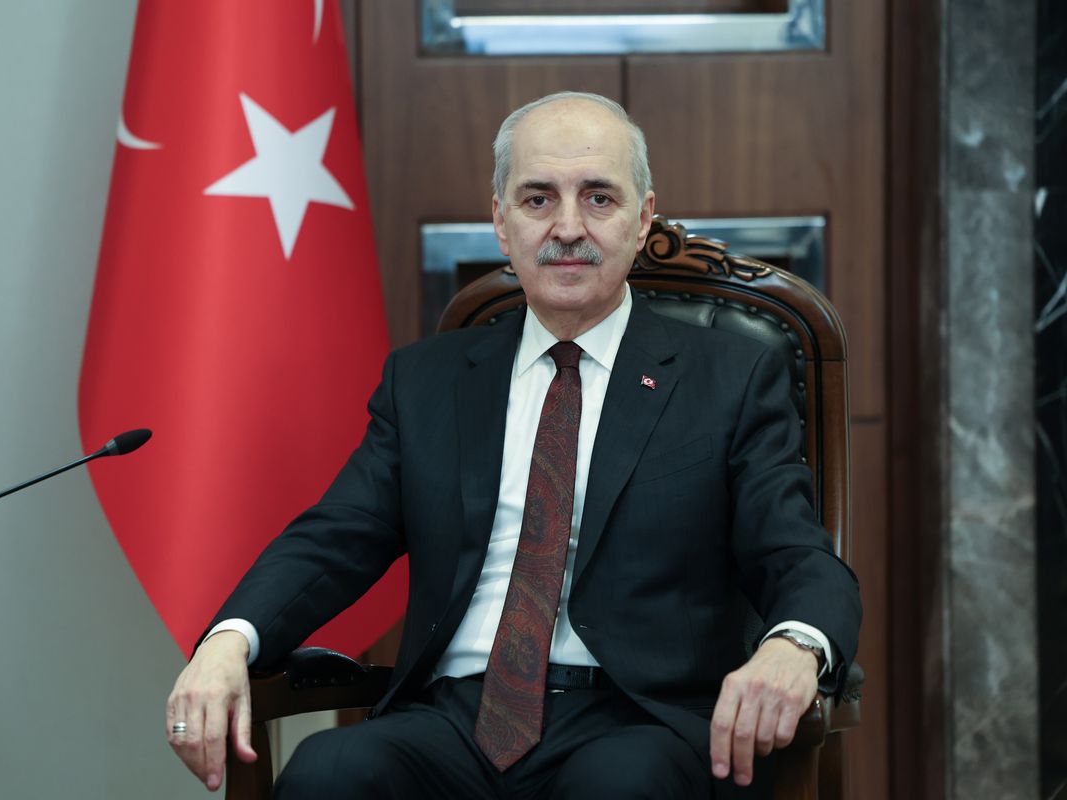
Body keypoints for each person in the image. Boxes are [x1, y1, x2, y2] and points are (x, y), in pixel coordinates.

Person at [166, 91, 861, 798]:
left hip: (637, 721)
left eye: (598, 198)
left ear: (643, 217)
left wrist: (795, 644)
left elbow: (796, 554)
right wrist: (229, 642)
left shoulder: (728, 378)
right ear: (501, 222)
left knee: (619, 785)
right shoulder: (427, 381)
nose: (568, 227)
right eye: (537, 199)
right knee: (330, 772)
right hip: (450, 719)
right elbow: (335, 538)